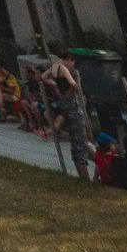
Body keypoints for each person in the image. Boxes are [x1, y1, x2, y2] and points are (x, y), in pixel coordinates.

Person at [41, 44, 91, 180]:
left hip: (62, 101)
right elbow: (73, 84)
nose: (72, 65)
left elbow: (44, 77)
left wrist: (56, 85)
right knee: (79, 134)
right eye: (72, 62)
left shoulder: (55, 67)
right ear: (69, 59)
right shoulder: (63, 68)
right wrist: (73, 89)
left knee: (75, 135)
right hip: (70, 102)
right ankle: (85, 173)